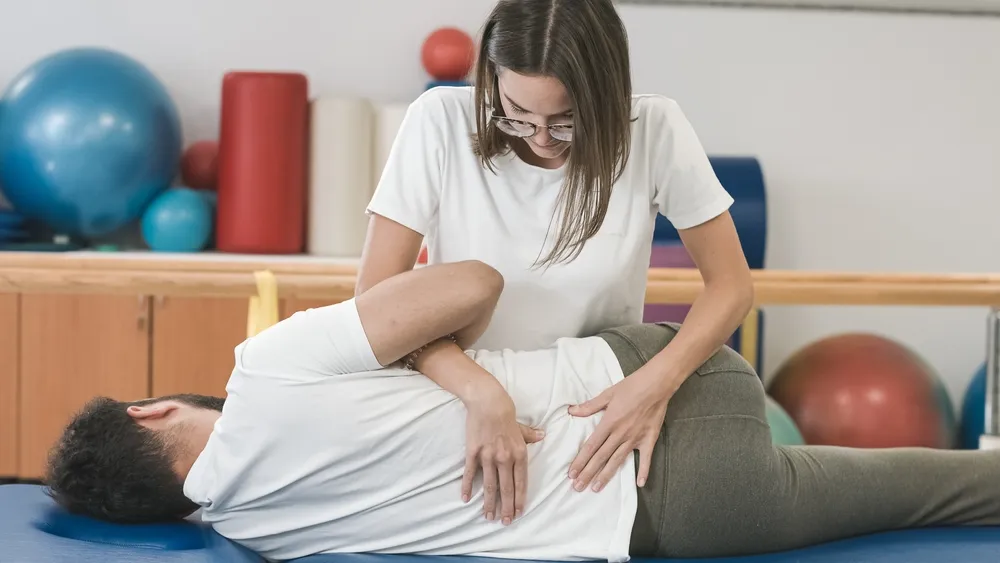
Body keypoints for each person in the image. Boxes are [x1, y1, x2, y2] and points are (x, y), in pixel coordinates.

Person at [46, 261, 1000, 563]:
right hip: (658, 373)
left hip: (688, 518)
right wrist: (481, 390)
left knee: (944, 493)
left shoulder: (258, 538)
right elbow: (472, 280)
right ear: (151, 407)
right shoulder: (266, 371)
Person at [358, 0, 754, 516]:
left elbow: (732, 286)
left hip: (595, 409)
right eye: (517, 115)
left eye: (567, 122)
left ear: (605, 95)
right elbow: (373, 307)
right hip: (461, 396)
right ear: (493, 78)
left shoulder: (653, 127)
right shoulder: (439, 121)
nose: (541, 139)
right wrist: (480, 392)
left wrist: (653, 385)